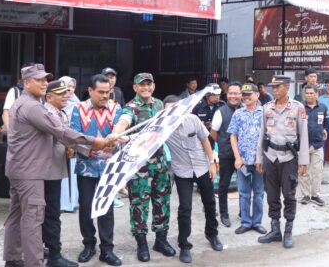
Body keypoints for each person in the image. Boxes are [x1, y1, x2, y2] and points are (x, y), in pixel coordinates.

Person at [3, 64, 111, 267]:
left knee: (17, 216)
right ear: (26, 83)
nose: (44, 83)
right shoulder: (32, 106)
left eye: (46, 79)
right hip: (31, 172)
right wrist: (94, 142)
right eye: (39, 80)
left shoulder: (24, 103)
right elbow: (60, 132)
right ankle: (33, 263)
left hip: (21, 169)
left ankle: (13, 259)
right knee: (33, 220)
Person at [111, 73, 175, 262]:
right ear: (135, 88)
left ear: (153, 86)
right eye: (142, 85)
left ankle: (161, 241)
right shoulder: (130, 107)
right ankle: (142, 244)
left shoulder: (159, 105)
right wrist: (116, 134)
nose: (146, 88)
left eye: (149, 84)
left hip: (161, 164)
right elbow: (123, 122)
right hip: (139, 167)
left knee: (162, 202)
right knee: (139, 205)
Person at [161, 96, 222, 264]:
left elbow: (205, 140)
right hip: (182, 172)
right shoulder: (163, 128)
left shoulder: (193, 119)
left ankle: (212, 235)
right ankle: (184, 246)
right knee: (185, 208)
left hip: (202, 167)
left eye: (176, 108)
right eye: (169, 109)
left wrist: (212, 163)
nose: (174, 112)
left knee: (209, 203)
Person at [70, 75, 123, 265]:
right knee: (86, 209)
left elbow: (120, 136)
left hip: (109, 170)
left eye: (107, 92)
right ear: (90, 90)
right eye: (100, 92)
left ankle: (107, 250)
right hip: (86, 168)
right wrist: (98, 148)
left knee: (106, 210)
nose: (104, 96)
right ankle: (88, 245)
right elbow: (75, 138)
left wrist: (113, 145)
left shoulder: (116, 109)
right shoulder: (79, 109)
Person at [256, 75, 309, 249]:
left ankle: (288, 230)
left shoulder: (297, 108)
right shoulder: (266, 108)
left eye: (277, 87)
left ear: (287, 87)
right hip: (270, 156)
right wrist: (259, 158)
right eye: (273, 87)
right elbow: (262, 135)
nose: (274, 90)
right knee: (271, 195)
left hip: (289, 158)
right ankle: (275, 229)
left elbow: (304, 135)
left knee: (289, 194)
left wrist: (303, 161)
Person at [42, 79, 78, 267]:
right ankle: (53, 255)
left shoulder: (59, 112)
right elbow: (63, 135)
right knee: (51, 212)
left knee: (50, 211)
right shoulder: (47, 114)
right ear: (49, 97)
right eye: (61, 93)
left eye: (67, 92)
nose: (66, 95)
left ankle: (48, 250)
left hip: (55, 167)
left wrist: (69, 148)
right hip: (47, 170)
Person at [227, 83, 267, 235]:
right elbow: (233, 136)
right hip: (242, 162)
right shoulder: (238, 114)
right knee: (243, 193)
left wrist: (263, 158)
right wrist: (237, 157)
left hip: (259, 162)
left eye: (249, 95)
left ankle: (256, 222)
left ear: (257, 95)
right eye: (244, 95)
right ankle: (245, 222)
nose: (246, 98)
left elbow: (269, 137)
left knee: (258, 193)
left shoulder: (264, 113)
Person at [209, 82, 242, 228]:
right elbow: (213, 133)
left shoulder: (246, 109)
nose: (233, 96)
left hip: (244, 155)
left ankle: (244, 213)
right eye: (231, 93)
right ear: (226, 94)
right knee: (224, 184)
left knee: (245, 185)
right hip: (227, 155)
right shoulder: (220, 112)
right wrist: (223, 144)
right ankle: (224, 214)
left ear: (241, 95)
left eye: (236, 93)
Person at [299, 85, 329, 206]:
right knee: (303, 171)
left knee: (317, 171)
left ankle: (315, 195)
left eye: (312, 93)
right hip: (303, 145)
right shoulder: (300, 108)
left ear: (317, 94)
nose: (309, 95)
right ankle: (305, 195)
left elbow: (326, 122)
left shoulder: (323, 107)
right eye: (307, 93)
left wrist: (325, 129)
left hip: (318, 144)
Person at [58, 76, 80, 213]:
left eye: (72, 87)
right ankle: (62, 203)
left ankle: (72, 202)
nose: (70, 89)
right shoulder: (57, 103)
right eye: (67, 86)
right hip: (60, 142)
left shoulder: (78, 104)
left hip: (73, 143)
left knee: (72, 171)